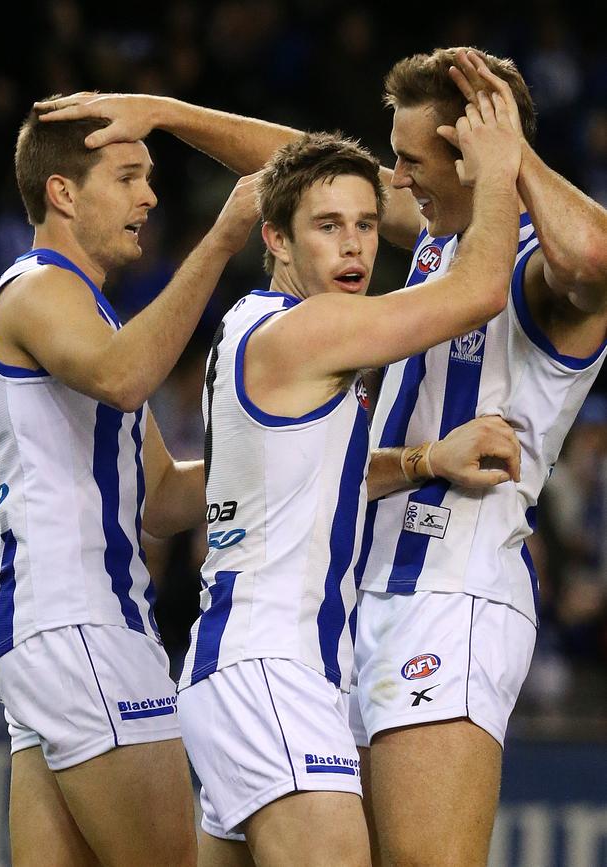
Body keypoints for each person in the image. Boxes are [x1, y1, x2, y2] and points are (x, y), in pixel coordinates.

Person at [36, 44, 607, 866]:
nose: (395, 184)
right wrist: (167, 114)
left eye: (410, 163)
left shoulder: (537, 266)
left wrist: (511, 158)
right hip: (336, 614)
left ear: (476, 151)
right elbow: (312, 178)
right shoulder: (444, 242)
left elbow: (589, 258)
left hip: (448, 595)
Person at [177, 98, 520, 864]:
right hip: (274, 672)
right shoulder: (313, 329)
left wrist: (425, 461)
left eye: (367, 222)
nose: (355, 243)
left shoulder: (249, 324)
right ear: (276, 238)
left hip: (241, 670)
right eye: (327, 226)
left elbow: (321, 479)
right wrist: (501, 170)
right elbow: (480, 291)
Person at [0, 104, 259, 867]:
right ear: (63, 192)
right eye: (130, 177)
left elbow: (162, 496)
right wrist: (225, 236)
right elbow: (127, 377)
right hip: (81, 623)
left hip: (57, 628)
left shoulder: (91, 312)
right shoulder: (37, 287)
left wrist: (300, 463)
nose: (150, 198)